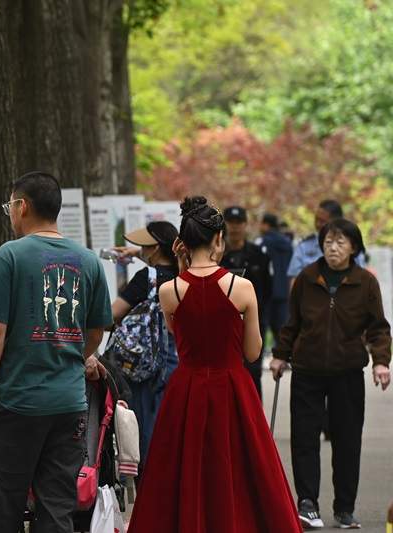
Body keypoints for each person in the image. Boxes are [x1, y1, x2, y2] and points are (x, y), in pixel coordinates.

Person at [127, 196, 301, 533]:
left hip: (186, 390)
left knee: (182, 471)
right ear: (218, 239)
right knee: (243, 470)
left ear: (183, 243)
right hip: (232, 387)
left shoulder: (169, 292)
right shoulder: (242, 288)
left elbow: (181, 337)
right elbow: (252, 353)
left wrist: (181, 271)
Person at [0, 172, 112, 533]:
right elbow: (96, 330)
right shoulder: (89, 261)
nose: (11, 214)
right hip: (69, 405)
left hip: (19, 401)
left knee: (1, 504)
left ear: (23, 206)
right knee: (57, 505)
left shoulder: (11, 256)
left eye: (10, 207)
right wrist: (75, 357)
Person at [270, 218, 391, 530]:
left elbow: (378, 328)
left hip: (347, 372)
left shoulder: (365, 282)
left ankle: (344, 508)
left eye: (340, 242)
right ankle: (307, 504)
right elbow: (292, 323)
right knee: (304, 439)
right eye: (328, 242)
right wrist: (280, 356)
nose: (333, 247)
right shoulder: (307, 279)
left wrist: (380, 362)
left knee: (347, 441)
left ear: (353, 247)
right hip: (307, 371)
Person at [110, 220, 179, 471]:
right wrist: (137, 253)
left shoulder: (144, 279)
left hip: (144, 366)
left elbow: (113, 314)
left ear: (157, 248)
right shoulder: (183, 275)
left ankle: (150, 483)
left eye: (145, 246)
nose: (142, 249)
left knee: (146, 429)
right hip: (177, 362)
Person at [220, 205, 272, 398]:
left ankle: (254, 415)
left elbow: (267, 289)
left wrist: (258, 316)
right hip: (222, 321)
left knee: (252, 369)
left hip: (253, 319)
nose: (234, 228)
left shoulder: (259, 255)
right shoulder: (216, 255)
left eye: (239, 223)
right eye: (230, 223)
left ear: (245, 225)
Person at [288, 199, 364, 285]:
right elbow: (294, 280)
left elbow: (360, 280)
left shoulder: (351, 247)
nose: (318, 224)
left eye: (323, 221)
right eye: (316, 219)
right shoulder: (304, 247)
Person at [259, 213, 294, 349]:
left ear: (266, 225)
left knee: (262, 329)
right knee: (281, 330)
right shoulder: (288, 244)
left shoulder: (263, 242)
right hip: (284, 291)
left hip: (267, 291)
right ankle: (283, 359)